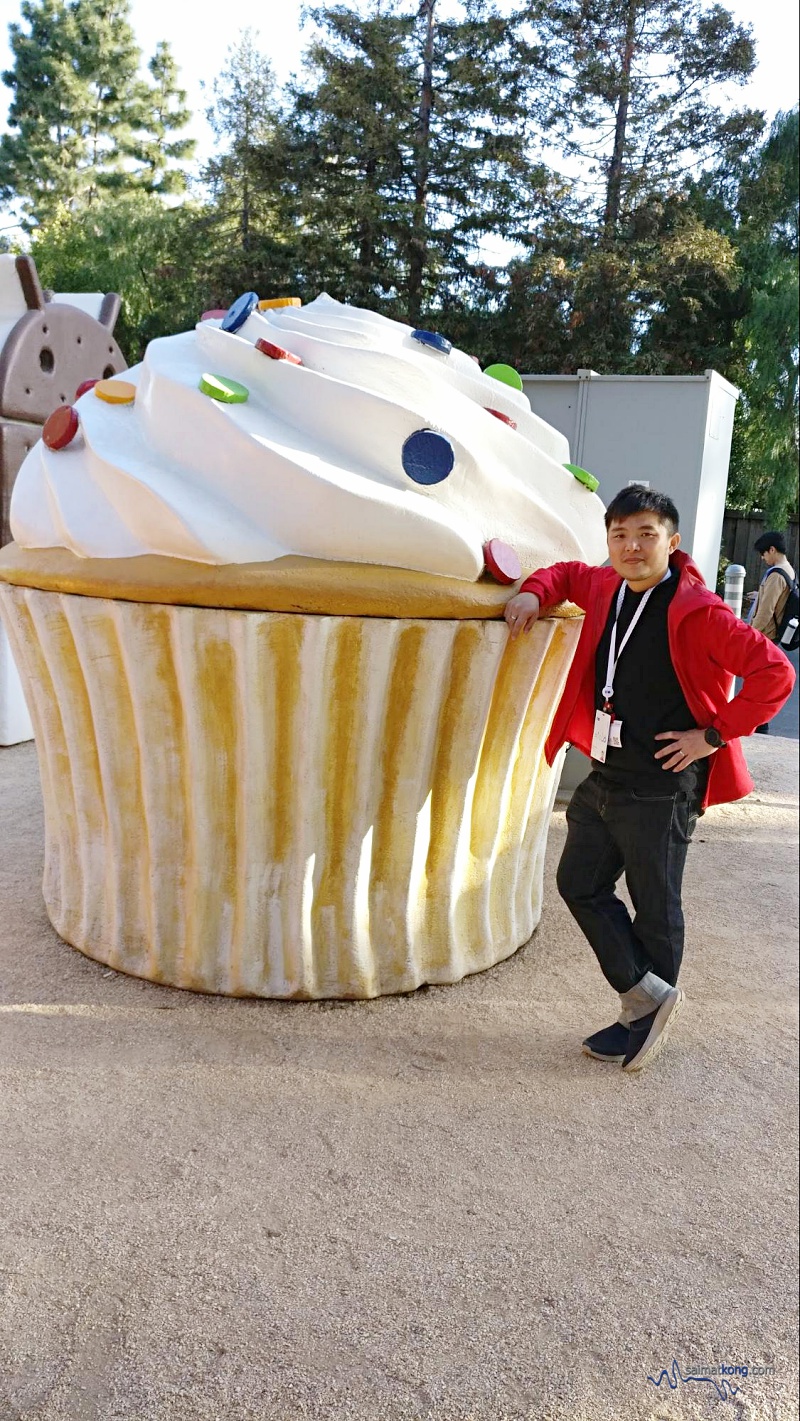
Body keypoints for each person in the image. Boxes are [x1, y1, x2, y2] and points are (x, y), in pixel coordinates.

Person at [504, 485, 795, 1074]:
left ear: (672, 541)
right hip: (607, 774)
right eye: (620, 534)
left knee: (655, 906)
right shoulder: (603, 585)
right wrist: (534, 594)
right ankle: (648, 998)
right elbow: (561, 573)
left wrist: (711, 736)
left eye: (646, 534)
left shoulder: (698, 609)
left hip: (663, 786)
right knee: (578, 883)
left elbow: (775, 671)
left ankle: (639, 1020)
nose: (631, 547)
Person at [746, 531, 796, 733]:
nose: (763, 558)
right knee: (763, 681)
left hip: (763, 636)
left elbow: (766, 612)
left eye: (764, 553)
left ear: (772, 550)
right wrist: (760, 594)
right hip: (772, 636)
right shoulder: (788, 570)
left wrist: (749, 636)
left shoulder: (776, 575)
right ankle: (759, 724)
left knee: (756, 683)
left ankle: (760, 726)